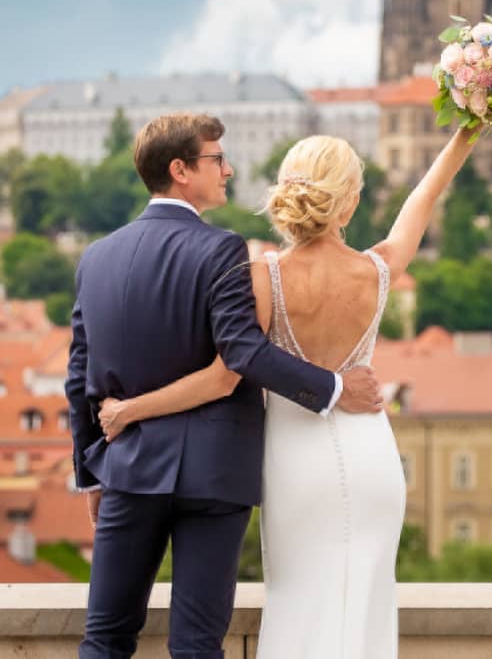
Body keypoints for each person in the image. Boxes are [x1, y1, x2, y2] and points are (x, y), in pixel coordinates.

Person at [98, 126, 478, 657]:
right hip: (370, 452)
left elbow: (223, 375)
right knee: (366, 598)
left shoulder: (261, 276)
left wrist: (130, 411)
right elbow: (425, 195)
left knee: (297, 594)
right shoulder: (379, 269)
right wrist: (465, 133)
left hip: (294, 455)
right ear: (347, 203)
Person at [64, 112, 386, 659]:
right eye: (217, 159)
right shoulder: (221, 251)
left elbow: (79, 374)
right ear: (180, 170)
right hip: (213, 476)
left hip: (127, 468)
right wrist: (334, 389)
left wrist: (90, 474)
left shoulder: (96, 258)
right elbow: (242, 353)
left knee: (105, 638)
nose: (229, 170)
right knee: (196, 646)